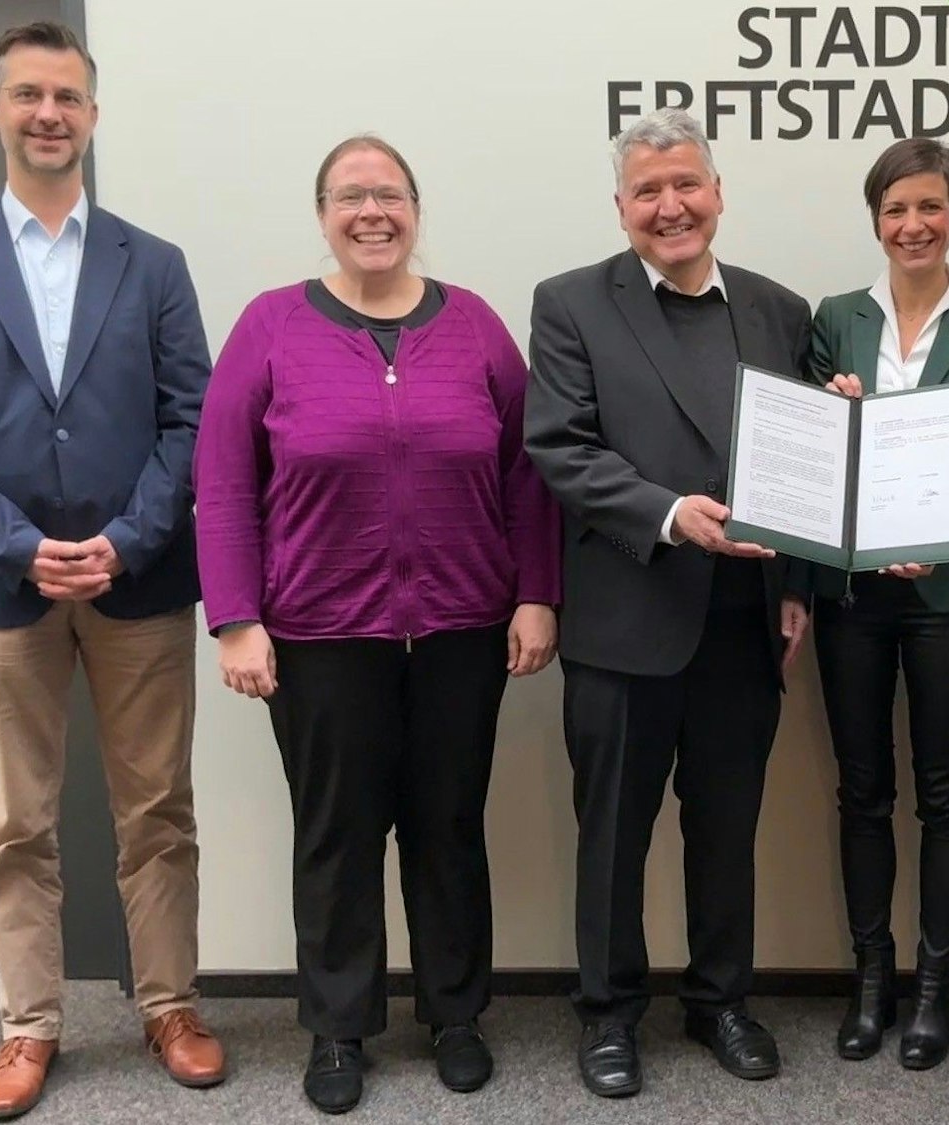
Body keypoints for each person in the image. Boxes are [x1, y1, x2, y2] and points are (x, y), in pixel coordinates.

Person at [0, 20, 223, 1120]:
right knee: (13, 823)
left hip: (139, 580)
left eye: (67, 96)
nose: (48, 113)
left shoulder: (152, 263)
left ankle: (171, 1005)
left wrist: (128, 537)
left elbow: (194, 418)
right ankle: (28, 1024)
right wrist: (18, 544)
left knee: (158, 811)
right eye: (29, 94)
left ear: (92, 115)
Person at [194, 135, 561, 1113]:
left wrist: (536, 592)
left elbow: (527, 474)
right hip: (319, 636)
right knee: (337, 834)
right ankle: (338, 1027)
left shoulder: (474, 325)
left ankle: (455, 1014)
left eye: (389, 195)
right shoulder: (271, 325)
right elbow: (222, 481)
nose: (372, 213)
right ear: (322, 215)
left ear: (415, 210)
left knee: (448, 826)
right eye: (350, 196)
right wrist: (235, 617)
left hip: (461, 631)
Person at [524, 108, 813, 1099]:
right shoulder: (570, 304)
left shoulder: (780, 310)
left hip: (743, 620)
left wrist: (798, 584)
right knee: (613, 835)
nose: (670, 205)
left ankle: (720, 999)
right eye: (647, 191)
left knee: (726, 829)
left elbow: (806, 461)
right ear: (620, 207)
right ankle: (608, 1013)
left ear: (718, 192)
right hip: (625, 618)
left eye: (686, 183)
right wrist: (667, 513)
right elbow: (560, 447)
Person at [803, 137, 949, 1069]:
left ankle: (934, 987)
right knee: (861, 789)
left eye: (930, 206)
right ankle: (871, 980)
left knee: (944, 790)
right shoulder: (836, 317)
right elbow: (814, 450)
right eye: (895, 209)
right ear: (876, 221)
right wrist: (837, 410)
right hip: (854, 591)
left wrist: (937, 529)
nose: (913, 225)